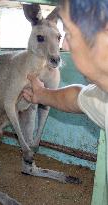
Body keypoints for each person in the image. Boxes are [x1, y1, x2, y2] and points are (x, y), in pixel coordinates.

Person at [23, 0, 108, 204]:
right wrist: (41, 94)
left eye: (69, 34)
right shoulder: (103, 97)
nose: (65, 46)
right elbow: (78, 97)